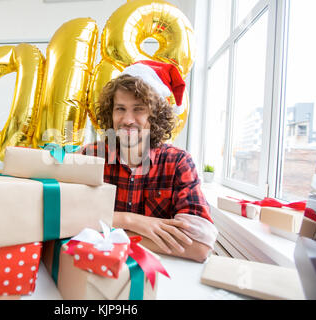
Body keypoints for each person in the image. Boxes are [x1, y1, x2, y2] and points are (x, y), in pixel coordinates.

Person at [81, 60, 218, 263]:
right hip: (100, 268)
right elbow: (66, 216)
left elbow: (199, 246)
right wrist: (132, 221)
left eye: (138, 109)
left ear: (155, 115)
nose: (127, 119)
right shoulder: (91, 156)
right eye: (120, 108)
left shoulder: (179, 162)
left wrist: (111, 230)